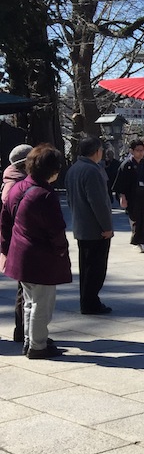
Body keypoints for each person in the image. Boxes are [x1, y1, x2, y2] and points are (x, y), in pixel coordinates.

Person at [0, 144, 71, 358]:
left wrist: (5, 249)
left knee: (30, 302)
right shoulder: (44, 195)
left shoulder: (18, 188)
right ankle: (38, 345)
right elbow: (56, 230)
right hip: (41, 257)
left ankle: (31, 340)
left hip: (20, 254)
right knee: (42, 304)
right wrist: (61, 251)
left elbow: (4, 221)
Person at [66, 136, 115, 314]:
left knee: (86, 266)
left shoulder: (74, 169)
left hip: (81, 225)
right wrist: (107, 227)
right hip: (95, 229)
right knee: (95, 268)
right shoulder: (92, 171)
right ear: (96, 151)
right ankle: (91, 302)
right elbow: (99, 203)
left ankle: (87, 300)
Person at [2, 143, 31, 342]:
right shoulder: (17, 185)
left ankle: (22, 330)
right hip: (21, 241)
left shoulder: (11, 180)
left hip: (16, 240)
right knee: (26, 288)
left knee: (25, 287)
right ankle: (24, 330)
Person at [114, 139, 144, 253]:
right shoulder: (126, 165)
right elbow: (120, 184)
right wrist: (122, 196)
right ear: (132, 151)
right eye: (138, 150)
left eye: (142, 150)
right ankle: (140, 241)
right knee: (137, 220)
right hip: (133, 197)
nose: (140, 153)